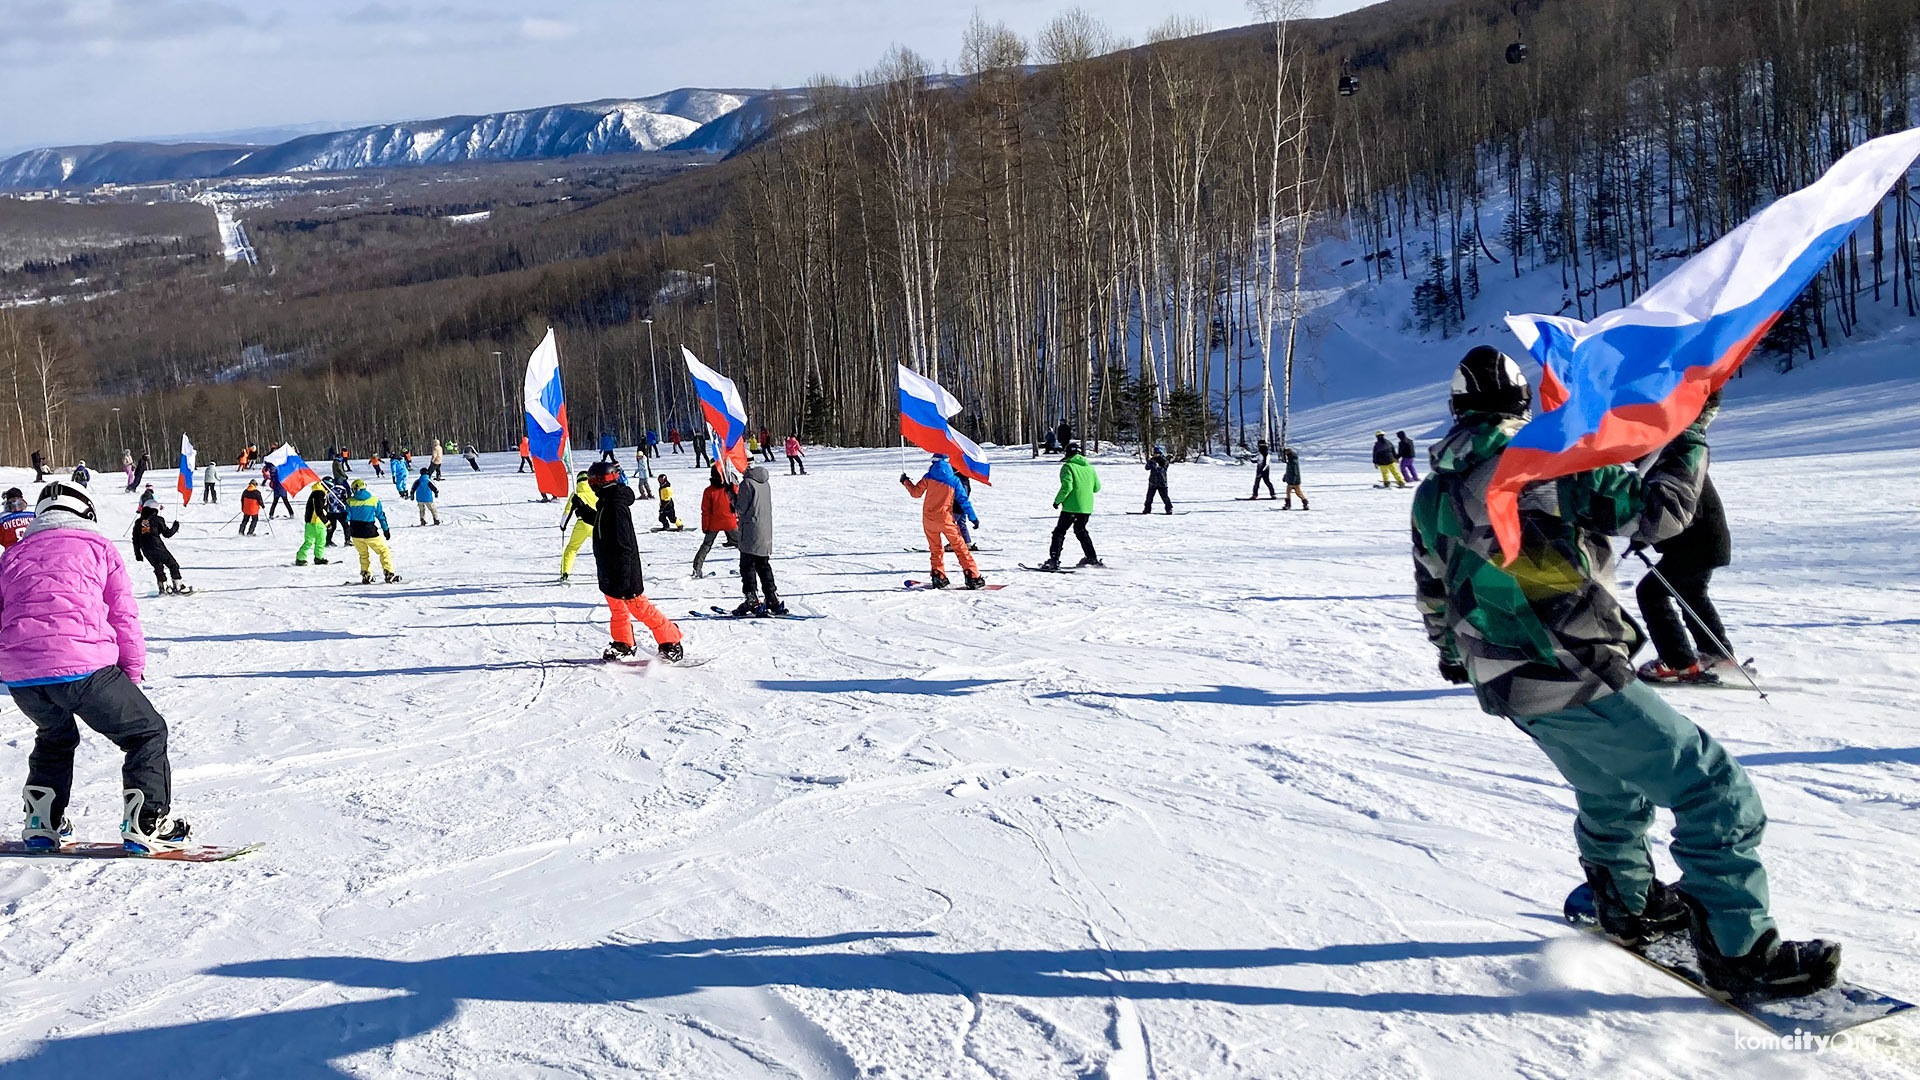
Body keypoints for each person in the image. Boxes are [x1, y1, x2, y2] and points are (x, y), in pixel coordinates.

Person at [1411, 345, 1839, 998]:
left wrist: (1451, 654)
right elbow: (1662, 514)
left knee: (1611, 783)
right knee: (1712, 786)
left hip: (1502, 678)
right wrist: (1692, 429)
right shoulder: (1543, 461)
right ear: (1524, 404)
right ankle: (1736, 948)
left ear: (1457, 408)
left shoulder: (1433, 490)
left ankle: (1627, 901)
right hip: (1570, 666)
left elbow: (1435, 586)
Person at [2, 481, 192, 852]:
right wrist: (131, 674)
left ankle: (42, 822)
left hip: (22, 677)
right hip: (83, 669)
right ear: (86, 513)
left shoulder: (11, 555)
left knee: (55, 736)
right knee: (146, 732)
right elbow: (123, 616)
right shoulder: (99, 547)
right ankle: (147, 821)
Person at [1635, 413, 1737, 684]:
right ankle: (1716, 653)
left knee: (1650, 593)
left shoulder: (1670, 466)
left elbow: (1676, 515)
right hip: (1706, 543)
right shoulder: (1674, 461)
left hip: (1698, 546)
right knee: (1692, 594)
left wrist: (1644, 533)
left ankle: (1679, 663)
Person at [568, 461, 683, 661]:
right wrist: (585, 511)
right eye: (592, 481)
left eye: (596, 481)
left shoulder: (616, 505)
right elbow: (603, 523)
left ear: (604, 482)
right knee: (616, 607)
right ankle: (624, 643)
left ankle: (671, 640)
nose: (593, 485)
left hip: (624, 570)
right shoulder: (607, 501)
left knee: (638, 607)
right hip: (609, 568)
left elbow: (623, 544)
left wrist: (623, 575)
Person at [902, 453, 983, 590]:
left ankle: (938, 576)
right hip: (946, 519)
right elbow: (964, 501)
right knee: (960, 547)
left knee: (935, 549)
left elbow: (916, 493)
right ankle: (972, 576)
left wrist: (906, 481)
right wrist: (973, 517)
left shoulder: (928, 476)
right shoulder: (953, 480)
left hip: (928, 519)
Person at [732, 463, 785, 615]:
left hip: (750, 530)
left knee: (747, 566)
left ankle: (752, 598)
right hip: (764, 530)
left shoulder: (747, 483)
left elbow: (740, 508)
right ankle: (772, 596)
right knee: (763, 564)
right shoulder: (764, 482)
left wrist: (731, 495)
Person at [1039, 443, 1101, 571]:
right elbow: (1097, 488)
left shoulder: (1068, 467)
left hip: (1071, 507)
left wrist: (1057, 501)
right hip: (1086, 507)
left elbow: (1067, 487)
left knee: (1059, 532)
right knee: (1081, 531)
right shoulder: (1089, 468)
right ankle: (1092, 558)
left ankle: (1054, 560)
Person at [131, 492, 190, 594]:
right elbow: (167, 534)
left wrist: (138, 554)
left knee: (158, 567)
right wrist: (175, 527)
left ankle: (163, 587)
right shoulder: (157, 519)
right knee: (172, 564)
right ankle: (178, 585)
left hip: (146, 550)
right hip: (158, 547)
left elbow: (135, 540)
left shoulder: (138, 522)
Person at [345, 479, 399, 584]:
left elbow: (347, 517)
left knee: (363, 554)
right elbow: (381, 516)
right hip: (370, 532)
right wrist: (386, 529)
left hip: (355, 533)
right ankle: (389, 573)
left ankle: (366, 574)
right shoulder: (374, 500)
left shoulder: (349, 501)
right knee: (384, 551)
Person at [692, 467, 738, 579]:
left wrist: (705, 526)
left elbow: (706, 511)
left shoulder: (708, 491)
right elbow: (738, 504)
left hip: (714, 522)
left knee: (706, 545)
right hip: (730, 521)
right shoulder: (731, 488)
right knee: (742, 545)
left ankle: (697, 569)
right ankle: (749, 568)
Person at [558, 471, 597, 585]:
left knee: (572, 548)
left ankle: (565, 573)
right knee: (604, 549)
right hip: (597, 523)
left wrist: (563, 526)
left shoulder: (576, 493)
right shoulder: (595, 490)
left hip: (583, 524)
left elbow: (567, 512)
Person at [321, 477, 350, 547]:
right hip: (340, 512)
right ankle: (347, 541)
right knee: (345, 526)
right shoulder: (340, 490)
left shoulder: (324, 491)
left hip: (331, 512)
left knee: (333, 527)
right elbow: (345, 499)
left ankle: (328, 540)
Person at [1143, 445, 1172, 514]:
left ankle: (1169, 509)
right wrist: (1151, 465)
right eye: (1155, 453)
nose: (1156, 454)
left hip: (1162, 483)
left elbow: (1164, 468)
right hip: (1152, 482)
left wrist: (1158, 467)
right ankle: (1147, 509)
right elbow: (1146, 468)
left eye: (1157, 453)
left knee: (1165, 497)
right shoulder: (1152, 460)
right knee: (1149, 498)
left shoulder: (1164, 460)